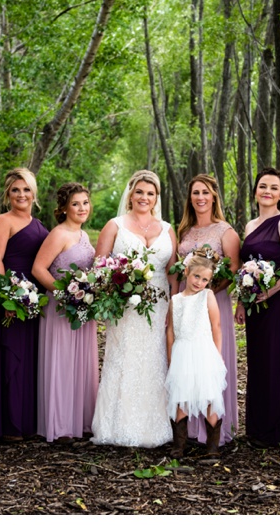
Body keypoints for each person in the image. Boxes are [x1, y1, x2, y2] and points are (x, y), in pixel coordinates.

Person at [90, 170, 178, 448]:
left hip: (160, 302)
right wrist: (121, 284)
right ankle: (117, 426)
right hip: (125, 306)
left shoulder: (166, 228)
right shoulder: (115, 225)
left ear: (156, 198)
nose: (144, 197)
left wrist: (173, 308)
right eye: (139, 191)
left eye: (150, 193)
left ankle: (155, 426)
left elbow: (172, 271)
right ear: (130, 194)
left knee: (155, 360)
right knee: (125, 358)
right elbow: (99, 266)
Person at [234, 167, 280, 447]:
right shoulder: (251, 225)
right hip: (255, 306)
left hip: (277, 305)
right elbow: (244, 267)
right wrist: (241, 300)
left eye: (273, 187)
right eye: (262, 186)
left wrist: (274, 288)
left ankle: (276, 429)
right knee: (259, 362)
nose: (267, 191)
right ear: (255, 191)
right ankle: (258, 427)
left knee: (276, 361)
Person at [0, 168, 49, 442]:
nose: (21, 194)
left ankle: (26, 421)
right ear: (8, 194)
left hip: (33, 300)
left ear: (34, 193)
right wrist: (6, 297)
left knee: (28, 358)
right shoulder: (2, 221)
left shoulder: (38, 223)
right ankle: (8, 424)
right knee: (11, 359)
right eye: (15, 189)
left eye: (26, 189)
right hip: (10, 299)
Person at [176, 174, 240, 447]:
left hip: (213, 304)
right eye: (195, 193)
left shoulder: (225, 231)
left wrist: (208, 293)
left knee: (211, 362)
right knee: (186, 363)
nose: (200, 197)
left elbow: (234, 269)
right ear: (190, 198)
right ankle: (188, 431)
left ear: (214, 196)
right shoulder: (185, 232)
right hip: (185, 305)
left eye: (205, 192)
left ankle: (212, 432)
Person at [32, 183, 98, 444]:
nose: (82, 208)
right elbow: (39, 269)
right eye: (76, 204)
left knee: (81, 363)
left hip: (82, 308)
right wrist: (62, 294)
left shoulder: (84, 235)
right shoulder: (58, 234)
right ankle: (59, 425)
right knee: (62, 362)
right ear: (63, 208)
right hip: (60, 308)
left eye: (85, 202)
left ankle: (80, 421)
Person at [165, 248, 227, 458]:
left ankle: (212, 447)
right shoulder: (176, 300)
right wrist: (171, 356)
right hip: (182, 352)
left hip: (203, 351)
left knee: (209, 396)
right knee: (181, 398)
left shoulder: (207, 296)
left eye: (204, 279)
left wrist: (217, 355)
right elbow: (171, 330)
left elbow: (216, 326)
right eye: (196, 276)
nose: (199, 282)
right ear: (186, 272)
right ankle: (179, 446)